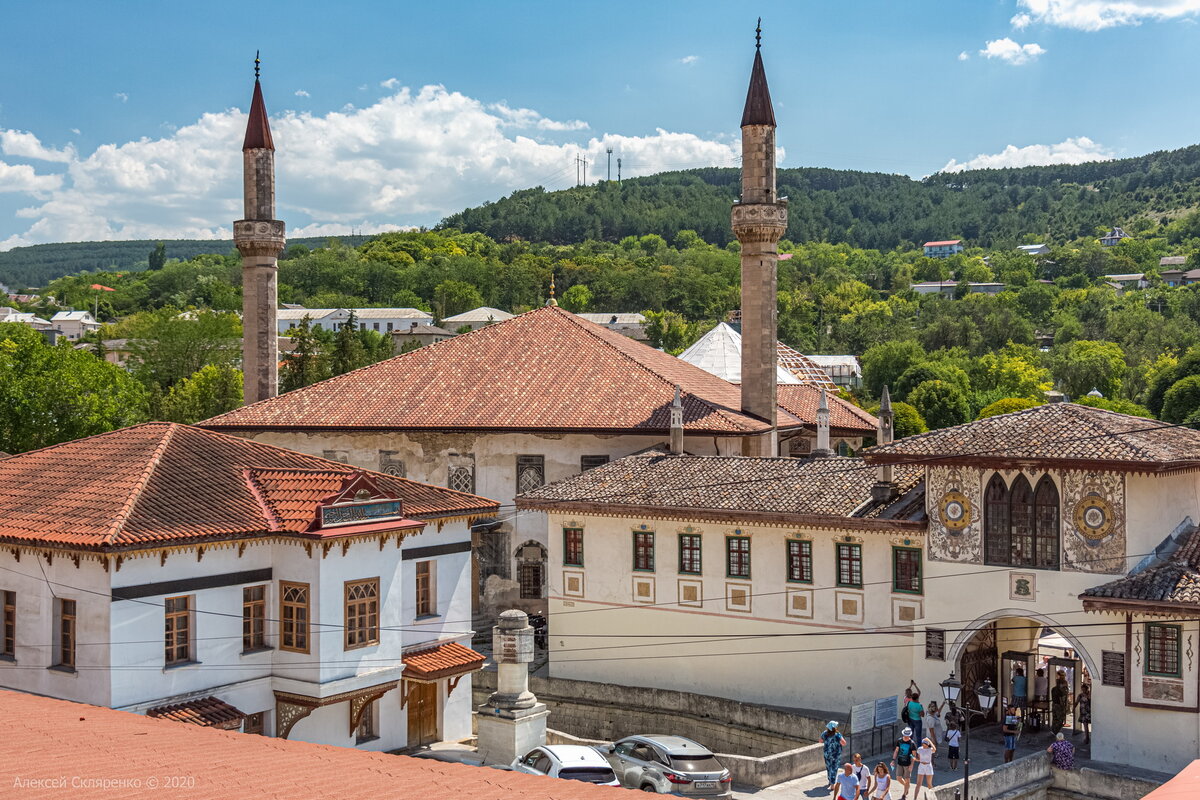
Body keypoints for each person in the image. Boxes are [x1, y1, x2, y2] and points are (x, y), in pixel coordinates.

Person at [891, 727, 917, 800]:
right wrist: (893, 760)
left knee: (907, 779)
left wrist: (912, 765)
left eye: (907, 736)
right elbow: (896, 751)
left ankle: (904, 795)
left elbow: (913, 755)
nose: (905, 737)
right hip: (900, 762)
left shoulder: (912, 744)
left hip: (907, 764)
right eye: (905, 735)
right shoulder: (899, 741)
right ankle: (906, 787)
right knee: (898, 778)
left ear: (909, 736)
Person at [822, 721, 848, 789]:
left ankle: (830, 781)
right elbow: (844, 743)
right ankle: (832, 784)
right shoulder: (837, 734)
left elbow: (820, 741)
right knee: (834, 768)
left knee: (828, 767)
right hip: (835, 755)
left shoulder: (825, 733)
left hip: (827, 753)